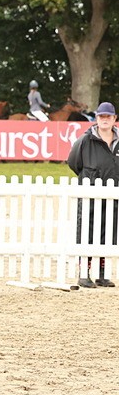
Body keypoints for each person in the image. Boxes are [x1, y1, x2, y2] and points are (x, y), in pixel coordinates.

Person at [67, 101, 119, 288]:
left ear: (114, 119)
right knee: (86, 232)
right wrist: (89, 177)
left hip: (113, 194)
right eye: (101, 116)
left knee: (109, 232)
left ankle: (102, 274)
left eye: (108, 116)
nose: (104, 120)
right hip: (89, 194)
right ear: (96, 118)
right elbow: (73, 162)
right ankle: (84, 273)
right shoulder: (84, 140)